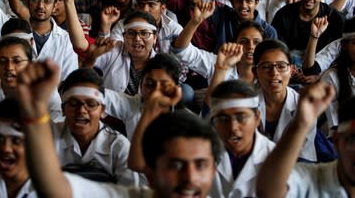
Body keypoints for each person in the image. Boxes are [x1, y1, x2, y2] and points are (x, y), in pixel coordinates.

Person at [16, 59, 222, 198]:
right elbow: (54, 187)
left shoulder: (119, 144)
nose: (189, 178)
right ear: (150, 173)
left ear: (214, 171)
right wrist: (35, 112)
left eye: (201, 165)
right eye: (175, 165)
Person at [54, 68, 141, 185]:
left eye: (91, 104)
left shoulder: (119, 148)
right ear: (63, 109)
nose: (81, 110)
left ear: (103, 111)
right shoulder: (49, 137)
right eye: (74, 103)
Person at [256, 82, 342, 198]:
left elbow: (304, 153)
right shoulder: (312, 177)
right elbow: (269, 191)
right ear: (337, 142)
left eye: (281, 66)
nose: (274, 73)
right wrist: (300, 124)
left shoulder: (296, 100)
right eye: (352, 140)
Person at [253, 40, 318, 162]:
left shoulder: (304, 106)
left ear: (292, 70)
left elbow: (303, 156)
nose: (274, 73)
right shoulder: (244, 103)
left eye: (281, 66)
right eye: (266, 67)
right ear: (255, 72)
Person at [209, 80, 275, 198]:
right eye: (223, 118)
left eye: (241, 117)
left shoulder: (275, 156)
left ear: (257, 118)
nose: (233, 128)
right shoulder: (201, 153)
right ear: (214, 122)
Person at [272, 0, 344, 68]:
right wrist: (288, 68)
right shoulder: (283, 15)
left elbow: (336, 53)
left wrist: (316, 74)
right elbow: (277, 48)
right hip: (288, 67)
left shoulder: (334, 18)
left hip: (322, 69)